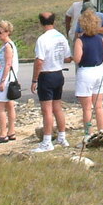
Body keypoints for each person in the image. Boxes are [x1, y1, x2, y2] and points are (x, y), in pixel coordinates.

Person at [31, 11, 71, 153]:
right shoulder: (61, 37)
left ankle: (47, 141)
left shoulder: (42, 39)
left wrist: (34, 79)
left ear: (41, 23)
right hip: (58, 73)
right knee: (57, 107)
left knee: (46, 110)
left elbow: (39, 61)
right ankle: (62, 136)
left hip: (46, 75)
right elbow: (68, 58)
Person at [72, 7, 103, 138]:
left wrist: (72, 57)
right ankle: (102, 131)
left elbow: (77, 58)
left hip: (86, 72)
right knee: (99, 106)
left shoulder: (80, 40)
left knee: (87, 108)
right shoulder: (100, 38)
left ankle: (88, 134)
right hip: (99, 71)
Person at [0, 20, 19, 144]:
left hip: (5, 81)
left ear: (7, 32)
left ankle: (3, 133)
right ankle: (11, 131)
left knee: (0, 105)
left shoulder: (8, 46)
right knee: (9, 104)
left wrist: (3, 81)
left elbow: (8, 64)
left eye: (0, 32)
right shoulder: (6, 45)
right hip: (4, 79)